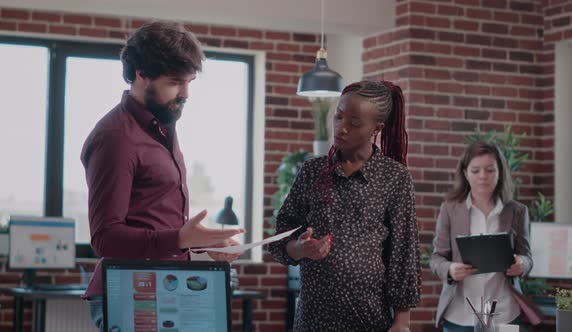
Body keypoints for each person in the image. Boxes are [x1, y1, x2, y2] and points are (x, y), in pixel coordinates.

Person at [80, 21, 244, 330]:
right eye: (175, 82)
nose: (186, 93)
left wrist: (198, 244)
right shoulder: (116, 137)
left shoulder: (162, 124)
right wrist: (181, 238)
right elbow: (105, 238)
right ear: (141, 74)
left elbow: (152, 217)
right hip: (129, 293)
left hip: (165, 288)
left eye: (189, 82)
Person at [269, 80, 421, 332]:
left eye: (355, 122)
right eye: (338, 117)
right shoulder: (312, 171)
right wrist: (300, 248)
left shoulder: (395, 177)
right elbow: (280, 239)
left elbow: (403, 252)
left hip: (369, 320)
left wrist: (402, 321)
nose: (342, 127)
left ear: (376, 128)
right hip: (313, 320)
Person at [430, 141, 533, 331]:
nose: (483, 177)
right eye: (475, 171)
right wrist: (450, 268)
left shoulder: (517, 211)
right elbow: (436, 258)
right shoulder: (450, 209)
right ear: (465, 173)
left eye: (490, 170)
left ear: (500, 172)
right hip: (461, 314)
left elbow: (527, 258)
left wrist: (522, 265)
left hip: (505, 313)